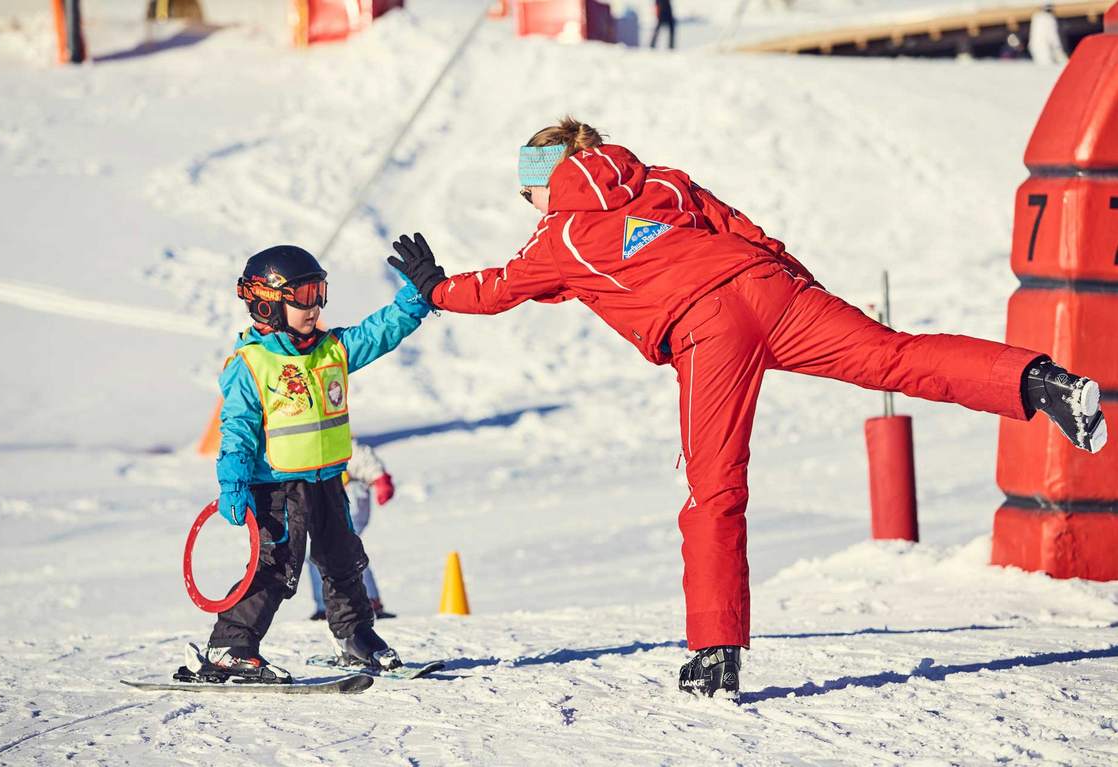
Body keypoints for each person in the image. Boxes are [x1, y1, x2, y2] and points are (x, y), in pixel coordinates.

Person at [387, 117, 1108, 698]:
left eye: (526, 196)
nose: (529, 209)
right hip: (771, 287)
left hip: (707, 327)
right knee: (893, 354)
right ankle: (1039, 381)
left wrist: (434, 285)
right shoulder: (661, 180)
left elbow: (498, 287)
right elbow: (742, 228)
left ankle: (715, 651)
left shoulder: (561, 235)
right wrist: (803, 294)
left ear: (543, 186)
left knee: (714, 487)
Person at [196, 244, 430, 683]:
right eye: (303, 296)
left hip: (327, 481)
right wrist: (233, 483)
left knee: (344, 561)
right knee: (276, 567)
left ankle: (355, 636)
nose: (315, 305)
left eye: (320, 292)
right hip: (279, 489)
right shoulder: (252, 365)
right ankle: (231, 645)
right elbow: (238, 430)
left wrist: (414, 301)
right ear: (267, 302)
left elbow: (378, 332)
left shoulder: (331, 349)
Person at [307, 438, 396, 621]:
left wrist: (380, 479)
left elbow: (361, 456)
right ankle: (326, 605)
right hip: (329, 502)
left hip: (349, 498)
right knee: (319, 554)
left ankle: (368, 599)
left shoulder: (334, 439)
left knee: (343, 550)